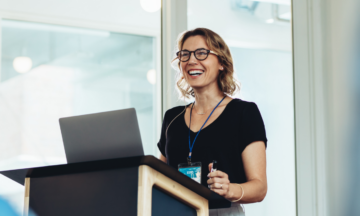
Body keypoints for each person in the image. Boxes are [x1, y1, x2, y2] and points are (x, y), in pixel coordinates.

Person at [157, 28, 267, 216]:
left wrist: (229, 189)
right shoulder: (172, 118)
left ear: (221, 63)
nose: (191, 60)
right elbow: (159, 179)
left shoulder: (244, 113)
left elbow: (259, 188)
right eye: (185, 54)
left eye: (202, 53)